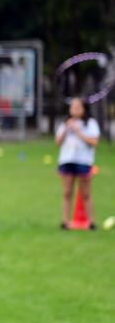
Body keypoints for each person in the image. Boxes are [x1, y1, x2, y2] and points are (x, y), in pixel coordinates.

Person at [55, 97, 100, 230]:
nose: (74, 109)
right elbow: (57, 142)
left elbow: (94, 142)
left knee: (86, 193)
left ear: (84, 108)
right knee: (67, 193)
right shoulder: (65, 124)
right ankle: (65, 221)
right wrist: (66, 129)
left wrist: (78, 131)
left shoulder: (90, 123)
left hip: (83, 161)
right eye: (72, 107)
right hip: (67, 160)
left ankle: (91, 222)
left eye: (77, 106)